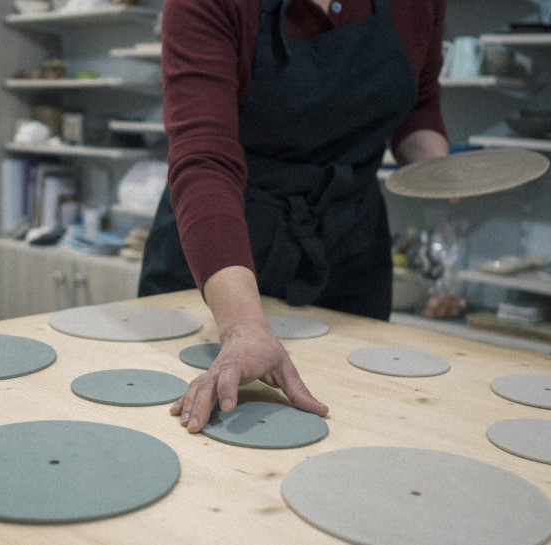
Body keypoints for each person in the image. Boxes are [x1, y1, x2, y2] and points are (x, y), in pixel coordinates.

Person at [139, 0, 450, 432]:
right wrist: (242, 327)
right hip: (221, 247)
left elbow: (418, 100)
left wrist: (442, 171)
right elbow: (205, 159)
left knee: (358, 423)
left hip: (348, 245)